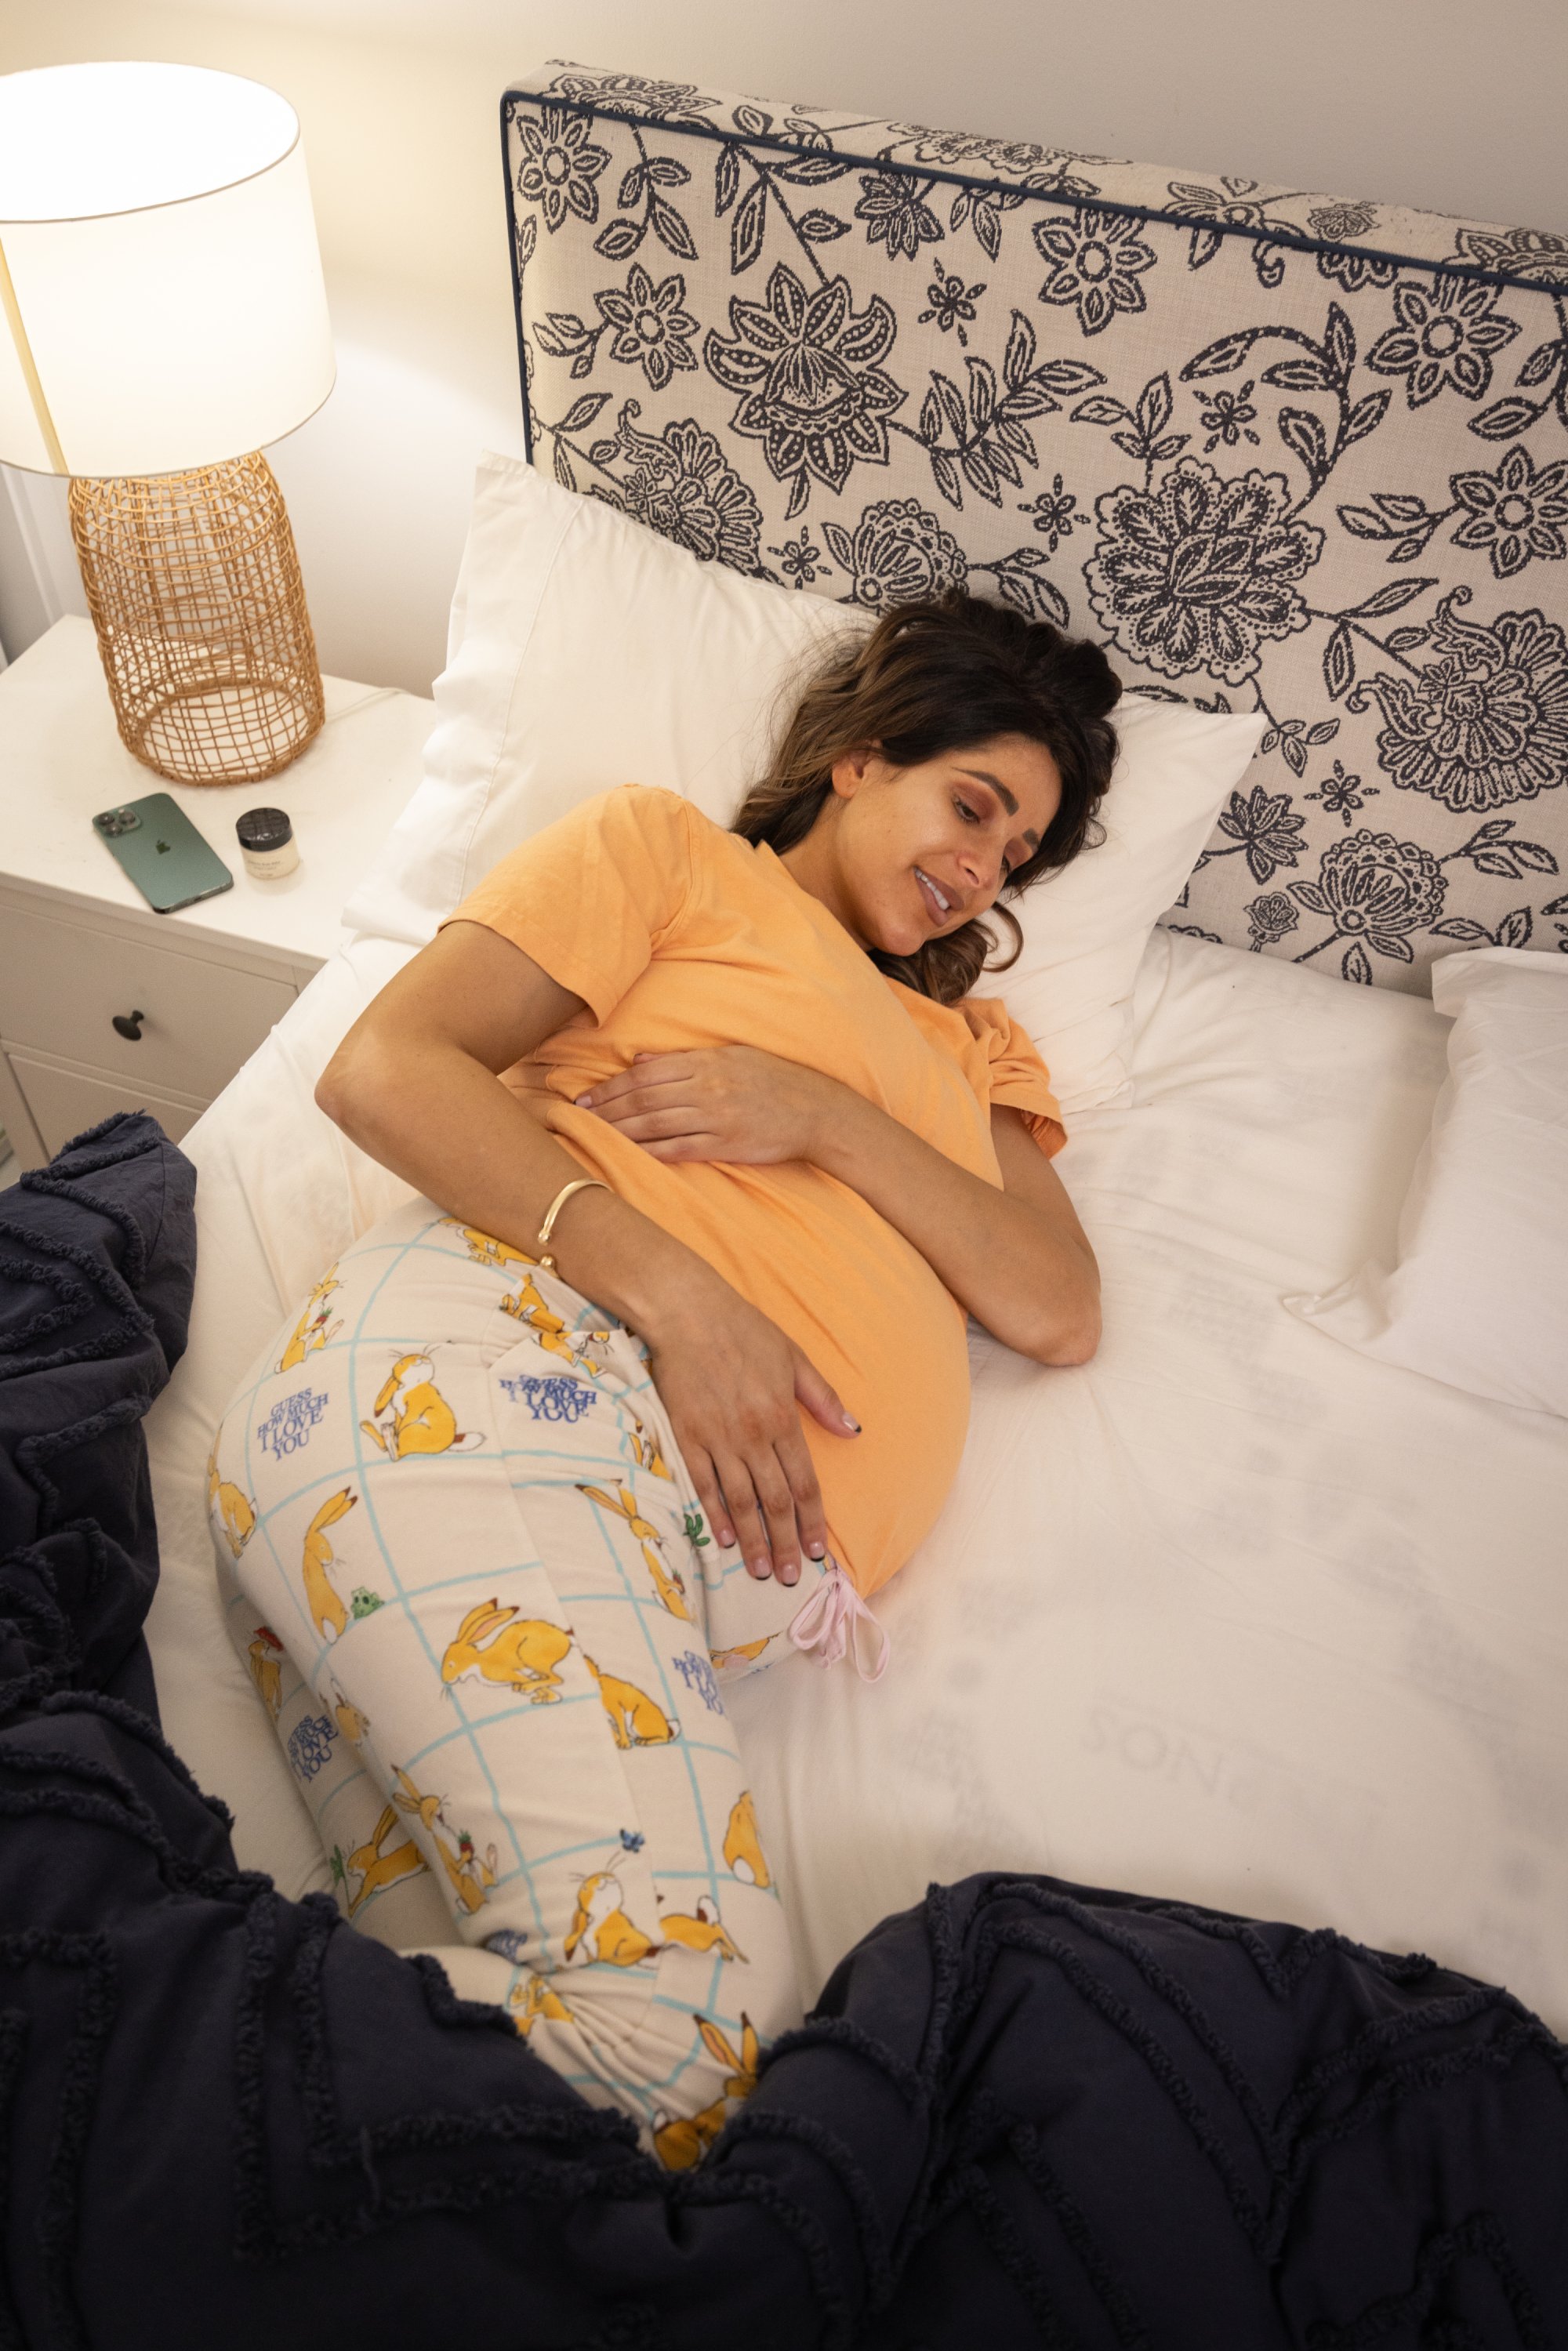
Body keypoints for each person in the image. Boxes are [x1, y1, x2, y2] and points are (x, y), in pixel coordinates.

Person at [210, 587, 1120, 2154]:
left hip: (607, 1529)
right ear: (859, 758)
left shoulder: (972, 1051)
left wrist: (817, 1111)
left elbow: (1056, 1307)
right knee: (678, 2044)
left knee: (541, 2122)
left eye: (1019, 853)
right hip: (495, 1378)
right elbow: (387, 1067)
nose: (985, 867)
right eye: (973, 805)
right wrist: (690, 1304)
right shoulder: (669, 856)